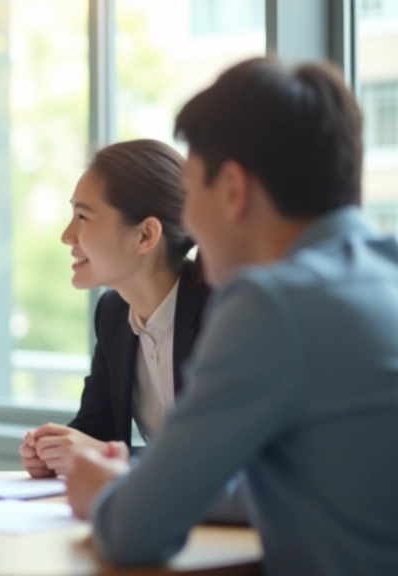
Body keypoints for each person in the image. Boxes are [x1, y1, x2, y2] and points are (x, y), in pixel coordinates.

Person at [65, 58, 398, 575]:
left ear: (234, 190)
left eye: (192, 191)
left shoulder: (272, 305)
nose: (189, 221)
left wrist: (107, 492)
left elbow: (134, 532)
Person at [19, 140, 208, 478]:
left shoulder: (219, 313)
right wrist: (55, 449)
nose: (67, 235)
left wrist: (112, 456)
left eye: (83, 217)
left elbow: (216, 454)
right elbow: (96, 430)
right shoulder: (112, 314)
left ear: (145, 235)